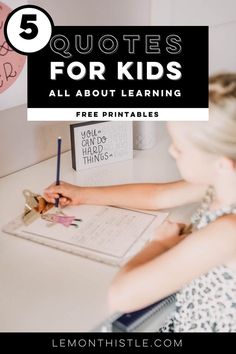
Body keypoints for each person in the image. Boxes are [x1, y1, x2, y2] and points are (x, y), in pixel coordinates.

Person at [44, 73, 236, 332]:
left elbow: (122, 296)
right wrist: (83, 193)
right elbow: (158, 195)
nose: (172, 151)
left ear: (223, 164)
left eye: (179, 147)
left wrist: (160, 243)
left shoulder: (227, 233)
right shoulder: (222, 182)